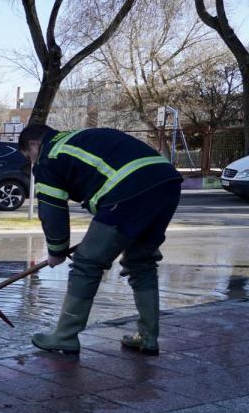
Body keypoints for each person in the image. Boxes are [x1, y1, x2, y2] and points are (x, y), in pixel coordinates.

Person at [20, 124, 181, 356]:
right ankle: (148, 337)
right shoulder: (79, 137)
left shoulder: (50, 155)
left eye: (29, 157)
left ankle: (64, 336)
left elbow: (52, 208)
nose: (33, 162)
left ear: (34, 145)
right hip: (166, 182)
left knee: (87, 263)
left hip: (129, 188)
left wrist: (57, 249)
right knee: (141, 262)